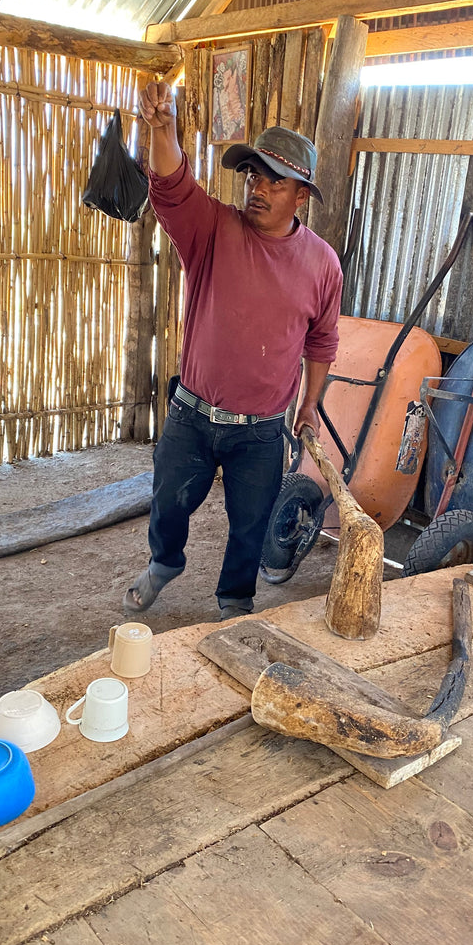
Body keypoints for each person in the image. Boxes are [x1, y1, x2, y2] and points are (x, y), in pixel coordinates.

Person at [124, 80, 342, 621]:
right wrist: (162, 128)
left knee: (251, 523)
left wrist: (310, 402)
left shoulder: (322, 265)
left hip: (262, 429)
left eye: (275, 180)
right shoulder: (212, 229)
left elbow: (321, 340)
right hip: (192, 416)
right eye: (252, 175)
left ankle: (234, 602)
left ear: (301, 196)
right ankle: (163, 565)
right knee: (168, 504)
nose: (258, 188)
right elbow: (172, 186)